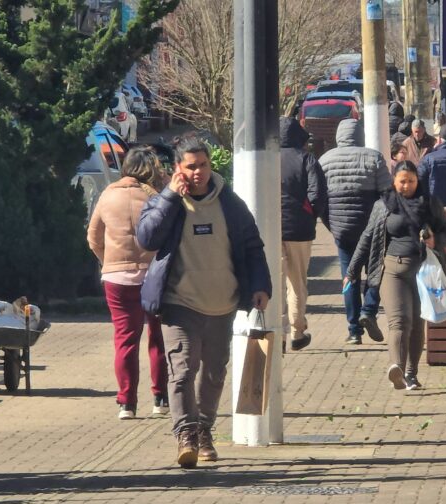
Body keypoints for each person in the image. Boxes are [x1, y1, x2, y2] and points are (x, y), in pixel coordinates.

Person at [137, 136, 272, 469]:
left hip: (221, 304)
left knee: (213, 373)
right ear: (177, 169)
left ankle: (204, 431)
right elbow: (147, 238)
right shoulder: (166, 201)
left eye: (204, 165)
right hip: (178, 303)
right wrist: (170, 195)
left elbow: (253, 247)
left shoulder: (230, 204)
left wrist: (260, 285)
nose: (199, 172)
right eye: (191, 166)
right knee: (182, 371)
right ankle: (185, 435)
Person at [345, 161, 446, 391]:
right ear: (394, 181)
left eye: (411, 181)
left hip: (421, 270)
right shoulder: (383, 205)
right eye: (402, 181)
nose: (406, 186)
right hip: (392, 270)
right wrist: (352, 271)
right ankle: (396, 366)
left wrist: (436, 240)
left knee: (416, 322)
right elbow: (367, 238)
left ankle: (411, 374)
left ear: (418, 181)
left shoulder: (429, 204)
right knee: (399, 321)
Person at [86, 146, 169, 420]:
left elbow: (93, 237)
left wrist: (106, 260)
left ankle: (126, 403)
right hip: (152, 275)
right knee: (157, 338)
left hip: (116, 278)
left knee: (125, 341)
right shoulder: (154, 197)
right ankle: (160, 398)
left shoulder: (107, 196)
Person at [319, 118, 392, 345]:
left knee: (349, 275)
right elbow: (387, 195)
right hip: (370, 228)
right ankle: (368, 310)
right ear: (360, 135)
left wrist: (332, 225)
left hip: (341, 229)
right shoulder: (374, 157)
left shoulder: (325, 160)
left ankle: (353, 330)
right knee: (375, 270)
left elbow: (319, 199)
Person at [279, 117, 328, 351]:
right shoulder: (306, 159)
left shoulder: (266, 158)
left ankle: (276, 333)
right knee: (296, 282)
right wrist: (309, 213)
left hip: (270, 229)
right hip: (299, 229)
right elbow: (317, 193)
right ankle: (297, 332)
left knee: (275, 282)